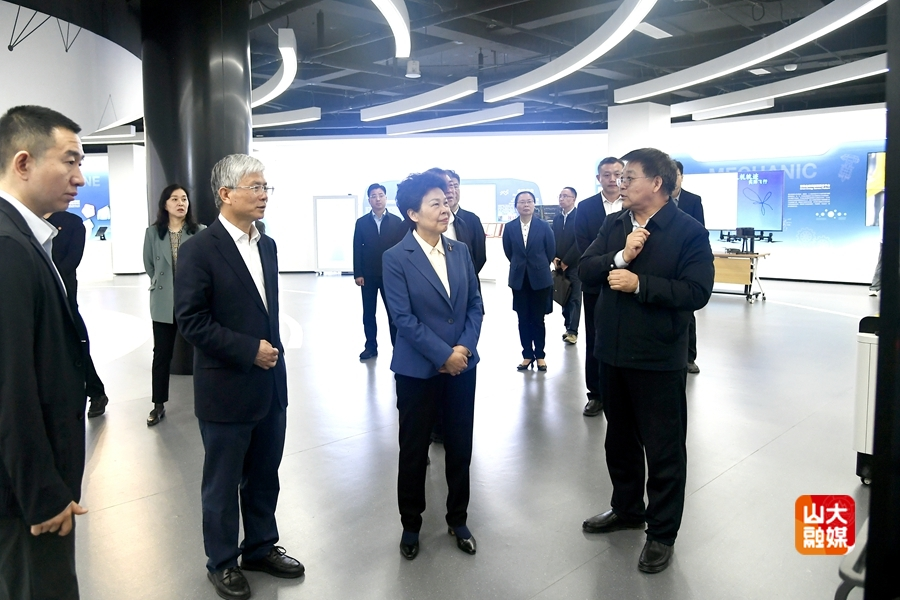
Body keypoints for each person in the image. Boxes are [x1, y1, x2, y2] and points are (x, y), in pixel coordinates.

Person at [578, 148, 714, 575]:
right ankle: (627, 509)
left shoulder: (688, 231)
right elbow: (586, 269)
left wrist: (640, 284)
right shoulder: (615, 224)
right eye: (619, 178)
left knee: (663, 448)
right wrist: (619, 258)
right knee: (619, 441)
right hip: (613, 354)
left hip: (657, 358)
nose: (620, 184)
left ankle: (662, 533)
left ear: (657, 183)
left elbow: (696, 292)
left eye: (629, 177)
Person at [175, 155, 303, 600]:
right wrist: (249, 350)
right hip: (226, 388)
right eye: (255, 186)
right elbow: (191, 321)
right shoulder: (199, 249)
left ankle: (261, 547)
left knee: (265, 474)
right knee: (222, 483)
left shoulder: (266, 245)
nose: (264, 195)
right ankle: (223, 561)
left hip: (270, 386)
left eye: (266, 187)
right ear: (225, 194)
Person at [0, 104, 89, 600]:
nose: (80, 177)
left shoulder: (27, 237)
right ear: (24, 162)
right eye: (70, 161)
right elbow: (10, 386)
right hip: (25, 498)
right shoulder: (8, 247)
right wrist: (43, 494)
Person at [382, 171, 483, 561]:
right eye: (435, 204)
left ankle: (458, 518)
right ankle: (411, 524)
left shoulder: (460, 251)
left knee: (460, 446)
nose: (445, 209)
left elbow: (475, 305)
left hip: (462, 367)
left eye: (446, 201)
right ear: (413, 213)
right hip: (417, 372)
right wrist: (444, 355)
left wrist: (463, 349)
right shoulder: (396, 257)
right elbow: (403, 319)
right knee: (413, 450)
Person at [142, 184, 205, 426]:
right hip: (163, 302)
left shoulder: (199, 231)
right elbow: (150, 266)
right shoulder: (153, 233)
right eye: (175, 199)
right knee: (161, 355)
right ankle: (158, 404)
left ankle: (207, 401)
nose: (181, 203)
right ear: (165, 204)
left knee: (203, 352)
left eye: (184, 199)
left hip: (193, 302)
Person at [47, 209, 110, 418]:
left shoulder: (73, 223)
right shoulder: (31, 220)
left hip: (64, 293)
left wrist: (47, 278)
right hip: (34, 292)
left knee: (75, 343)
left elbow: (72, 260)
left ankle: (96, 392)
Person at [574, 157, 624, 417]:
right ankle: (595, 394)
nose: (612, 179)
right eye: (606, 174)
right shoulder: (586, 207)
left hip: (629, 283)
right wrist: (608, 267)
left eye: (617, 174)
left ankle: (621, 392)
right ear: (598, 179)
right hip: (596, 284)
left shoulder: (632, 203)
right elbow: (583, 244)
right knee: (594, 339)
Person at [502, 191, 556, 372]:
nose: (526, 205)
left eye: (529, 201)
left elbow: (550, 250)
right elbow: (509, 251)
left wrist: (538, 266)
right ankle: (527, 355)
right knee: (523, 319)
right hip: (519, 279)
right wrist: (521, 266)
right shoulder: (509, 227)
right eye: (522, 202)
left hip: (540, 279)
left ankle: (540, 355)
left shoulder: (544, 226)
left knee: (538, 319)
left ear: (534, 205)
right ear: (516, 205)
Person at [353, 183, 406, 360]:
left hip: (390, 276)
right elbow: (357, 248)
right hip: (367, 276)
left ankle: (398, 347)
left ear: (386, 198)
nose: (378, 199)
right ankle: (370, 346)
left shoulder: (397, 222)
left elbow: (401, 250)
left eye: (381, 195)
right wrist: (358, 273)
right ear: (369, 200)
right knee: (369, 313)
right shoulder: (361, 223)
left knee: (394, 313)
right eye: (374, 196)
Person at [673, 160, 706, 374]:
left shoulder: (693, 200)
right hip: (666, 262)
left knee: (687, 313)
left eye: (675, 174)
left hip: (684, 262)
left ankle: (689, 357)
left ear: (681, 177)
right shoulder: (658, 200)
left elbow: (699, 230)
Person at [552, 187, 581, 345]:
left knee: (575, 298)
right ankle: (567, 327)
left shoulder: (579, 217)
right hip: (559, 265)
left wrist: (566, 261)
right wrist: (554, 258)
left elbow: (579, 242)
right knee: (564, 296)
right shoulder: (557, 218)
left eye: (565, 196)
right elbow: (552, 239)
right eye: (560, 196)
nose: (562, 199)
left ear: (573, 199)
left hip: (575, 265)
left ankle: (573, 331)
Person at [446, 170, 487, 276]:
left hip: (467, 279)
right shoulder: (429, 221)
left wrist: (466, 277)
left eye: (455, 186)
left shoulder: (472, 219)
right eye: (446, 186)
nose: (451, 191)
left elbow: (480, 256)